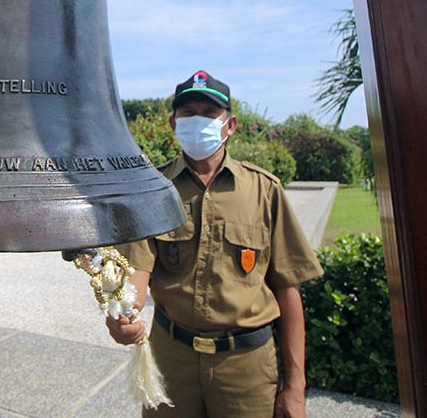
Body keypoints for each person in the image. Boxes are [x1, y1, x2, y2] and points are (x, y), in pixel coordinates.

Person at [107, 70, 323, 418]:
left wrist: (295, 388)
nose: (198, 121)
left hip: (246, 365)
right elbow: (139, 272)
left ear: (231, 125)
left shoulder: (263, 191)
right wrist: (125, 314)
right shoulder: (155, 190)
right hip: (171, 358)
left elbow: (287, 289)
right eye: (188, 113)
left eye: (209, 113)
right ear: (174, 124)